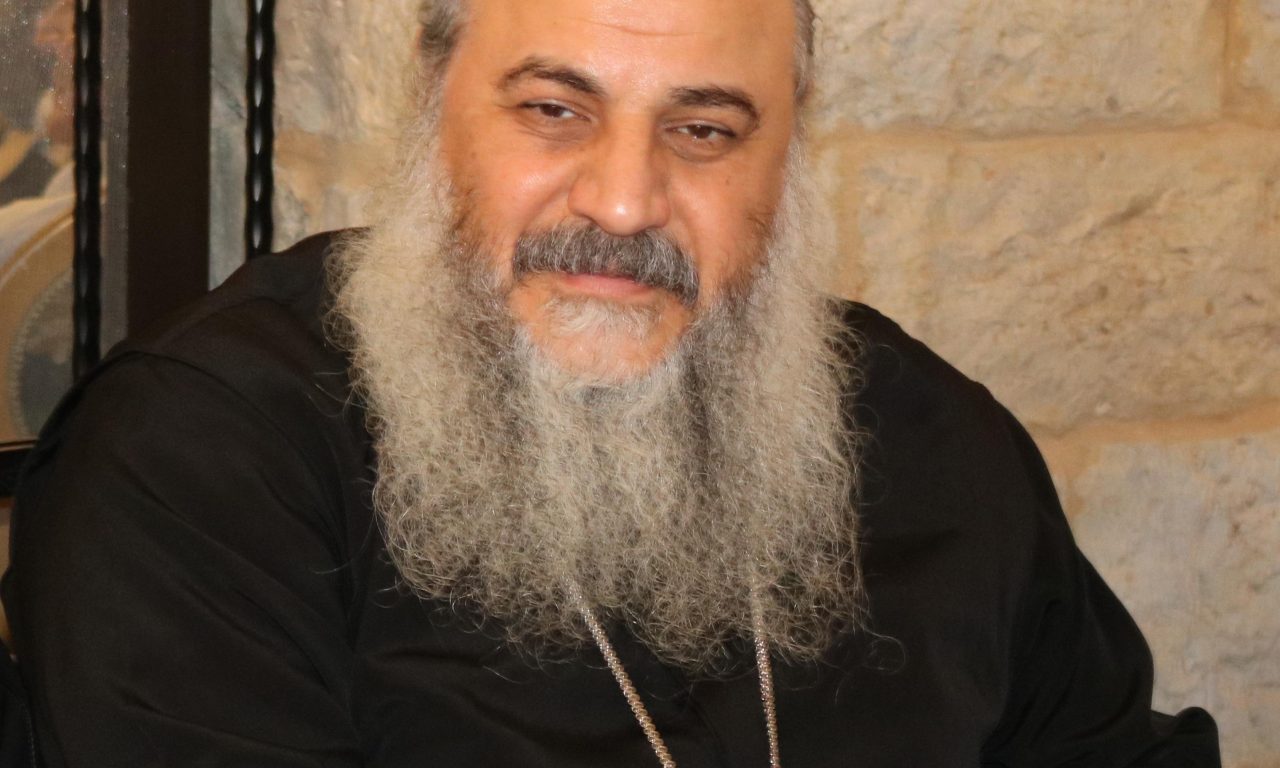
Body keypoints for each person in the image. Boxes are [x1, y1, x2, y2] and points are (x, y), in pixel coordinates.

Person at [3, 0, 1222, 765]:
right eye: (553, 110)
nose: (625, 201)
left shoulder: (924, 434)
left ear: (785, 155)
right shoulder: (201, 455)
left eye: (704, 131)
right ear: (433, 109)